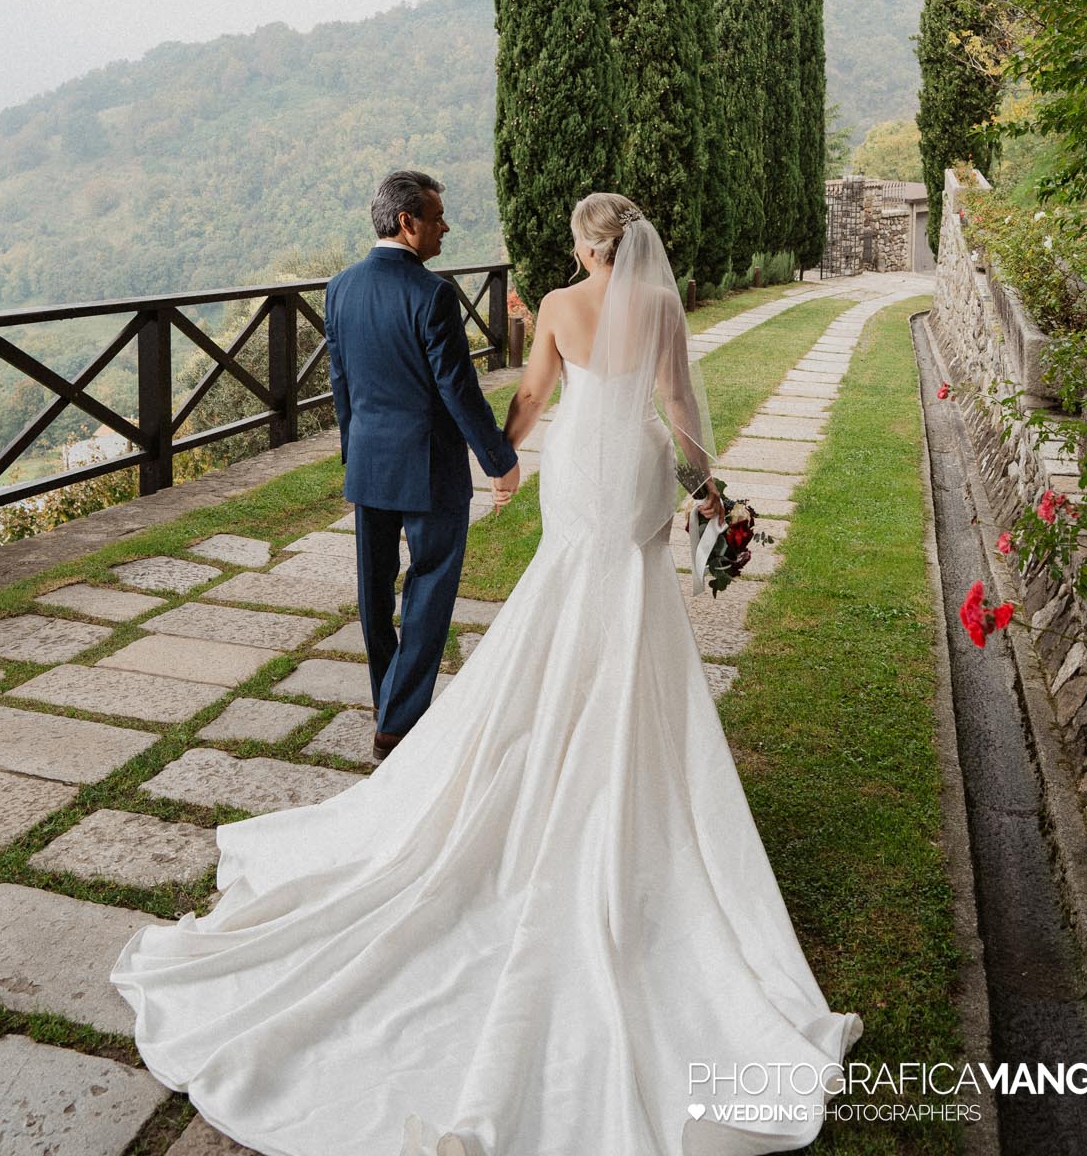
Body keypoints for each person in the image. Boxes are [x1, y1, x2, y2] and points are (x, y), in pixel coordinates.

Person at [110, 192, 863, 1156]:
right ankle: (621, 749)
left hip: (580, 467)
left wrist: (504, 452)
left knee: (564, 587)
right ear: (635, 247)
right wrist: (705, 488)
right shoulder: (662, 310)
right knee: (629, 595)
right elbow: (679, 409)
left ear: (586, 249)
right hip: (634, 467)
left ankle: (545, 735)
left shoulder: (556, 305)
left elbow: (535, 396)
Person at [323, 169, 521, 763]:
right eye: (437, 218)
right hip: (430, 469)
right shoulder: (434, 294)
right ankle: (398, 722)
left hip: (369, 464)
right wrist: (498, 459)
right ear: (407, 222)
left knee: (374, 589)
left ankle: (388, 703)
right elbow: (457, 389)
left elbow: (341, 384)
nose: (446, 227)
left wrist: (354, 453)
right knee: (430, 588)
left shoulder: (339, 287)